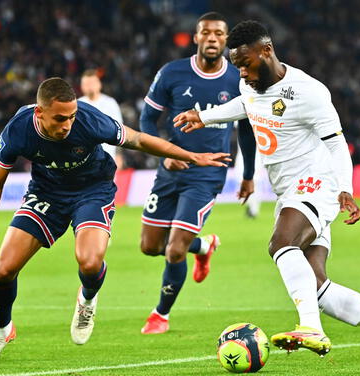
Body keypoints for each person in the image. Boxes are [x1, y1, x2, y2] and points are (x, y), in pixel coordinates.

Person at [174, 20, 360, 365]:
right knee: (318, 285)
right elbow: (244, 106)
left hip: (317, 183)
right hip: (288, 190)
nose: (243, 73)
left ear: (267, 51)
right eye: (238, 67)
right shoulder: (251, 86)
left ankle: (310, 328)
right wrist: (205, 117)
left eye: (246, 64)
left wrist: (346, 190)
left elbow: (337, 146)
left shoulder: (309, 92)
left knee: (281, 243)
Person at [0, 77, 230, 362]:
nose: (67, 125)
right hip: (47, 193)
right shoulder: (18, 129)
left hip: (93, 190)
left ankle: (87, 299)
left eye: (72, 116)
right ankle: (1, 330)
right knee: (4, 270)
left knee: (89, 262)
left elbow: (138, 139)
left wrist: (190, 156)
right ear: (39, 113)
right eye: (59, 118)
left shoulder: (89, 120)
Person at [138, 11, 256, 335]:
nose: (213, 38)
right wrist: (162, 155)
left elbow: (246, 130)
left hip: (208, 173)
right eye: (206, 33)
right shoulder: (172, 73)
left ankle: (160, 314)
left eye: (219, 33)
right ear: (196, 38)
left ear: (226, 39)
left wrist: (248, 174)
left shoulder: (237, 80)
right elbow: (147, 119)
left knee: (174, 249)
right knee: (149, 245)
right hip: (171, 169)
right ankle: (203, 246)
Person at [79, 69, 125, 169]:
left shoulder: (110, 103)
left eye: (92, 83)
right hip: (84, 158)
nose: (89, 86)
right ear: (81, 86)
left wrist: (119, 154)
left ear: (99, 84)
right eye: (86, 84)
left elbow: (120, 129)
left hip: (107, 155)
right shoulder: (78, 105)